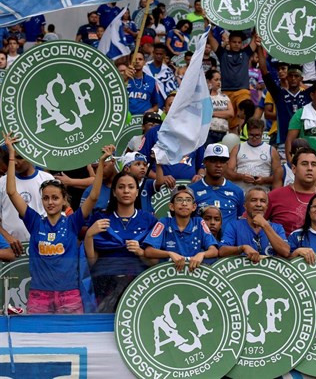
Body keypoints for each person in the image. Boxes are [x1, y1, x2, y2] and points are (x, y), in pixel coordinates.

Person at [5, 133, 112, 314]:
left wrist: (101, 163)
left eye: (55, 198)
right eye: (46, 198)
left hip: (69, 296)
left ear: (64, 200)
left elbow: (93, 196)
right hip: (39, 296)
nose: (50, 202)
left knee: (71, 340)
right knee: (37, 341)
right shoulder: (34, 221)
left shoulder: (72, 222)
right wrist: (12, 155)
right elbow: (12, 192)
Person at [84, 172, 157, 312]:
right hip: (105, 283)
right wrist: (89, 235)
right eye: (121, 187)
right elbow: (92, 262)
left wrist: (141, 253)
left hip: (139, 284)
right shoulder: (100, 218)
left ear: (137, 192)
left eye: (131, 187)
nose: (126, 191)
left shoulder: (149, 220)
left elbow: (154, 263)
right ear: (114, 192)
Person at [266, 148, 316, 236]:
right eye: (304, 164)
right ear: (294, 169)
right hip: (285, 248)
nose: (309, 168)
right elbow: (251, 222)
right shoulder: (274, 196)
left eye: (313, 164)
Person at [143, 185, 218, 271]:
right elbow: (149, 251)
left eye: (188, 200)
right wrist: (169, 253)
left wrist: (202, 254)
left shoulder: (199, 222)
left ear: (194, 207)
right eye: (179, 200)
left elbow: (214, 250)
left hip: (194, 274)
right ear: (171, 206)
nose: (184, 203)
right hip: (168, 274)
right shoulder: (164, 222)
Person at [0, 146, 55, 258]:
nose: (15, 162)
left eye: (19, 158)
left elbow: (57, 214)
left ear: (31, 156)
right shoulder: (2, 182)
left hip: (43, 248)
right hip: (10, 250)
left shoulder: (47, 179)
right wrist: (6, 237)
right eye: (12, 158)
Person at [219, 187, 289, 262]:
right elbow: (222, 251)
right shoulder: (234, 226)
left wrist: (265, 225)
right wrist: (242, 248)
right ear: (245, 205)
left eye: (263, 201)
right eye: (253, 200)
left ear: (267, 206)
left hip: (269, 273)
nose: (258, 204)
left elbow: (285, 252)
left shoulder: (277, 228)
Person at [185, 144, 244, 231]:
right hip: (201, 242)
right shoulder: (192, 190)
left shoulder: (237, 191)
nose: (218, 165)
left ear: (227, 164)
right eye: (213, 161)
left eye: (222, 161)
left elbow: (240, 221)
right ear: (205, 162)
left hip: (229, 243)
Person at [226, 119, 282, 192]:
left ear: (262, 133)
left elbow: (279, 176)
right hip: (241, 191)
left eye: (257, 135)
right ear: (248, 132)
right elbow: (228, 172)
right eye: (251, 135)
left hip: (263, 192)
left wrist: (264, 180)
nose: (254, 138)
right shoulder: (237, 148)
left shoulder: (271, 150)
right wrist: (242, 177)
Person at [206, 69, 233, 145]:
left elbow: (231, 113)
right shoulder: (205, 97)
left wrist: (213, 113)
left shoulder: (224, 97)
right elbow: (205, 113)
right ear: (209, 81)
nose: (219, 82)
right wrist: (223, 113)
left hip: (223, 132)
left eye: (220, 80)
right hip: (209, 133)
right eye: (216, 80)